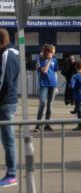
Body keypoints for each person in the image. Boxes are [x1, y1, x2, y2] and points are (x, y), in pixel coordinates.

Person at [0, 29, 20, 187]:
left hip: (5, 102)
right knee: (7, 139)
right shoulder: (9, 52)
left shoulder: (8, 54)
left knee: (8, 139)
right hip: (6, 101)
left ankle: (12, 174)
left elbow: (5, 81)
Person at [36, 44, 58, 131]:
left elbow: (55, 72)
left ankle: (47, 124)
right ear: (47, 52)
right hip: (43, 84)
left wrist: (56, 86)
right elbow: (44, 71)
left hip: (52, 85)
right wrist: (49, 60)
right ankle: (38, 125)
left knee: (50, 105)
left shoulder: (55, 60)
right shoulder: (39, 59)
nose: (53, 54)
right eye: (52, 53)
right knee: (42, 104)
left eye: (53, 53)